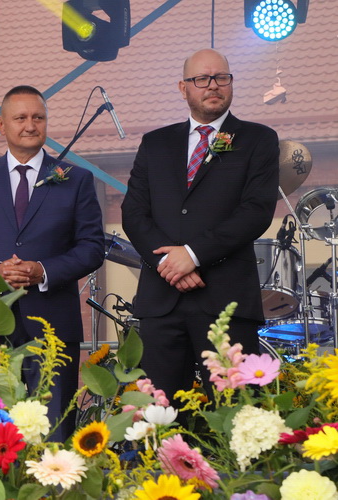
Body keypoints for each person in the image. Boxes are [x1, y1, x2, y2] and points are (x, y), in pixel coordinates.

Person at [0, 86, 105, 440]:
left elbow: (92, 248)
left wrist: (43, 270)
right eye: (20, 118)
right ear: (2, 125)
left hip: (54, 329)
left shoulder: (76, 179)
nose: (30, 125)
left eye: (38, 117)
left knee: (54, 433)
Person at [121, 49, 279, 405]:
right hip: (162, 301)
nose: (213, 86)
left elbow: (256, 211)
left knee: (237, 414)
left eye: (222, 77)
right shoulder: (155, 143)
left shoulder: (258, 139)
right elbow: (133, 212)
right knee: (161, 416)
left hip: (226, 300)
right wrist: (168, 263)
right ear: (183, 88)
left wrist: (192, 255)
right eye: (202, 79)